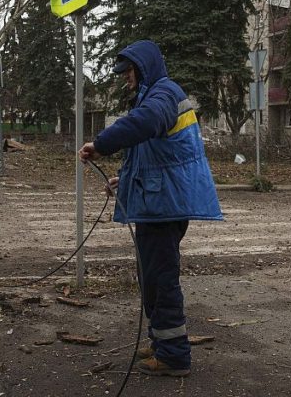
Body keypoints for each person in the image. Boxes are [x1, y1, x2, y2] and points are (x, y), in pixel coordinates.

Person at [79, 40, 222, 378]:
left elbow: (144, 124)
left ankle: (174, 355)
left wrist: (100, 145)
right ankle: (162, 341)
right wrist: (122, 181)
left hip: (165, 207)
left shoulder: (164, 95)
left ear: (144, 68)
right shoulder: (154, 95)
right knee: (152, 278)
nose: (125, 78)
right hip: (157, 203)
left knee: (161, 278)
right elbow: (153, 156)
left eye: (129, 71)